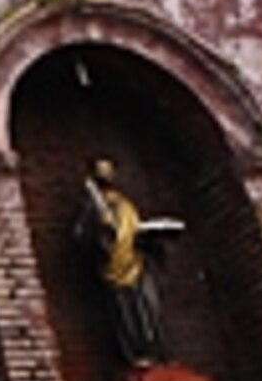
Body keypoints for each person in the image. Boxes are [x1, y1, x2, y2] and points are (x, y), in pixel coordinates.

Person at [76, 156, 182, 366]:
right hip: (113, 267)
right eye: (101, 172)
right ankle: (136, 353)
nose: (106, 176)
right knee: (125, 313)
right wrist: (101, 231)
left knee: (149, 309)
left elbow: (133, 230)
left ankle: (159, 351)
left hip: (136, 263)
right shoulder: (92, 207)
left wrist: (151, 240)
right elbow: (84, 235)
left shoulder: (125, 204)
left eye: (108, 171)